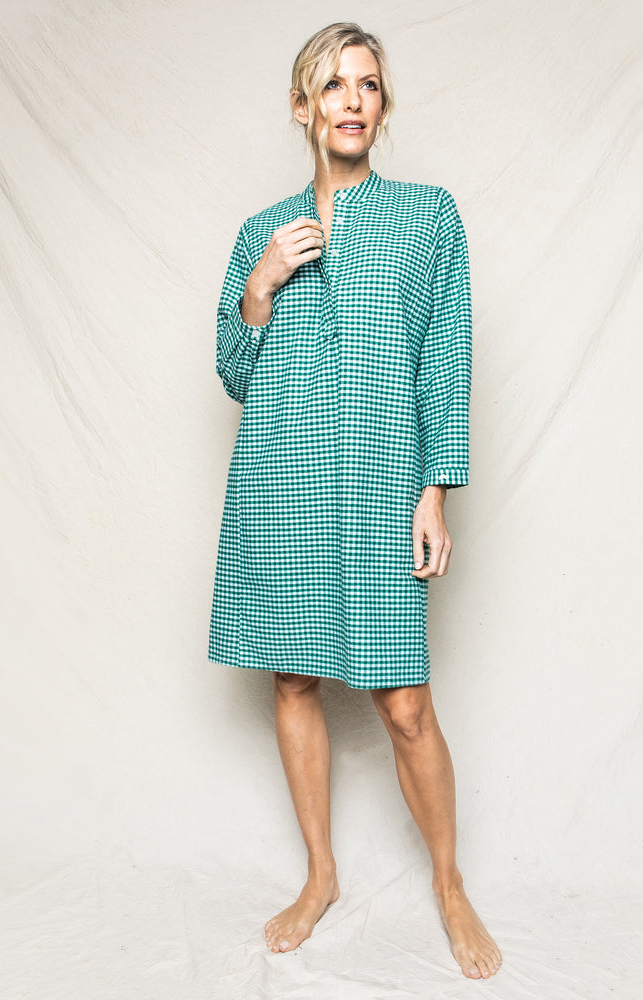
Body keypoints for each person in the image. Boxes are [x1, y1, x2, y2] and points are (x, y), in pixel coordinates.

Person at [208, 22, 502, 981]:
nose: (351, 100)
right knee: (293, 681)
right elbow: (235, 372)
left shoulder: (428, 217)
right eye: (332, 85)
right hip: (282, 484)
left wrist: (434, 490)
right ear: (303, 107)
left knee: (403, 703)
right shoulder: (261, 232)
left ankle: (449, 884)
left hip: (379, 486)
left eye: (367, 85)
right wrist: (262, 284)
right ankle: (321, 875)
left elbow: (445, 360)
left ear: (382, 105)